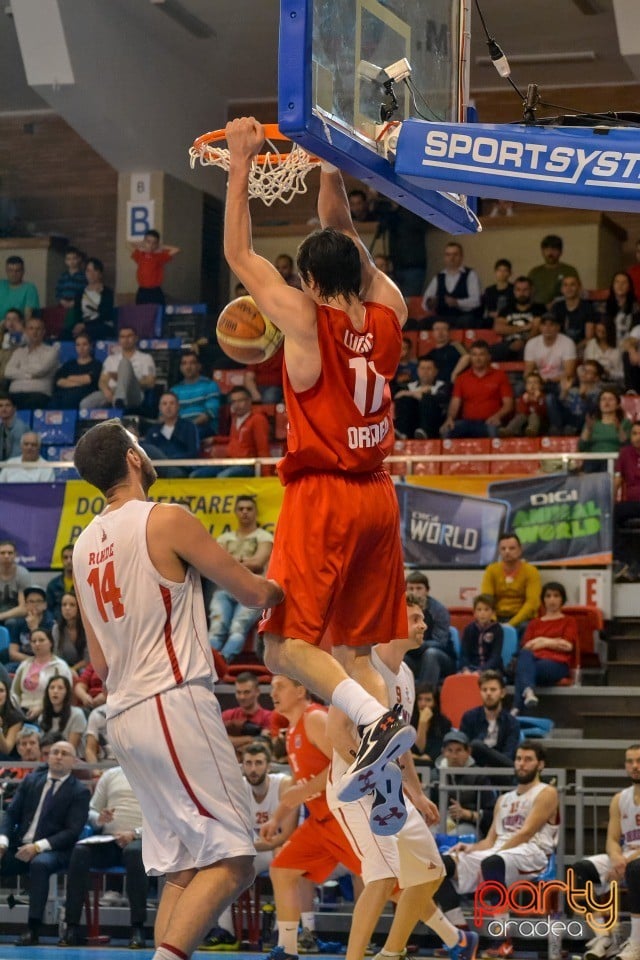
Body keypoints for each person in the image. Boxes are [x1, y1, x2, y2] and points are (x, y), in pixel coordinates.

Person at [218, 116, 415, 808]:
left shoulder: (303, 321)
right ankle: (383, 771)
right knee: (355, 652)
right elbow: (353, 248)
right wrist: (332, 169)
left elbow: (240, 254)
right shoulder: (388, 312)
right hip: (377, 497)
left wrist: (243, 160)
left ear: (305, 280)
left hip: (325, 494)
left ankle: (377, 721)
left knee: (282, 650)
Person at [71, 417, 284, 960]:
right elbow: (255, 592)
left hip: (123, 716)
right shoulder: (166, 519)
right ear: (134, 459)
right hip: (171, 702)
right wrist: (291, 578)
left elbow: (96, 659)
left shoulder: (83, 545)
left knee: (187, 863)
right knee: (237, 855)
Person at [326, 599, 479, 960]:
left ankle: (391, 952)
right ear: (392, 624)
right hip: (355, 790)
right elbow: (337, 733)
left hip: (391, 789)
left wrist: (418, 793)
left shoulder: (408, 676)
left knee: (430, 873)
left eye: (423, 618)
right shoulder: (361, 667)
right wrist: (371, 772)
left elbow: (401, 741)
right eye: (415, 618)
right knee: (381, 876)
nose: (424, 624)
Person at [260, 675, 361, 960]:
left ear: (301, 689)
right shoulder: (292, 731)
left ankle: (455, 937)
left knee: (388, 887)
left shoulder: (315, 718)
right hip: (320, 821)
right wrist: (276, 818)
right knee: (281, 871)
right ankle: (288, 949)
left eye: (279, 686)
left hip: (343, 816)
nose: (273, 692)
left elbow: (344, 765)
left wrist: (304, 789)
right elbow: (299, 780)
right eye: (271, 687)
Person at [434, 742, 559, 958]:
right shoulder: (504, 799)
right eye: (519, 758)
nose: (521, 764)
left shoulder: (546, 792)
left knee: (492, 863)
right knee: (441, 865)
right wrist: (470, 848)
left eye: (528, 759)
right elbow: (491, 840)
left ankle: (503, 940)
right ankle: (460, 936)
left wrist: (491, 854)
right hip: (501, 852)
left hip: (532, 853)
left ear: (541, 765)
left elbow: (526, 833)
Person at [203, 740, 303, 950]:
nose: (253, 769)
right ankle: (226, 931)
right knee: (223, 860)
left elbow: (285, 836)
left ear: (269, 766)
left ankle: (280, 932)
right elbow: (229, 833)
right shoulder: (237, 789)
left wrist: (250, 846)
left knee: (283, 854)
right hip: (251, 851)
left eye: (258, 763)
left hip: (275, 851)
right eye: (248, 763)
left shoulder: (283, 785)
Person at [0, 739, 90, 945]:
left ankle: (33, 929)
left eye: (64, 753)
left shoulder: (79, 791)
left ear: (74, 761)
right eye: (55, 752)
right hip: (20, 845)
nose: (58, 756)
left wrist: (38, 847)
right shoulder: (32, 780)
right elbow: (10, 814)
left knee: (40, 864)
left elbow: (72, 832)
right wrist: (3, 842)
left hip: (57, 850)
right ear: (47, 757)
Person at [60, 764, 148, 949]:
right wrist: (99, 817)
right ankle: (72, 926)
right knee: (80, 851)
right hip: (109, 838)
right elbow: (91, 809)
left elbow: (164, 817)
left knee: (134, 852)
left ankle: (137, 928)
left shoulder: (157, 775)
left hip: (141, 840)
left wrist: (135, 833)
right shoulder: (111, 775)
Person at [572, 744, 640, 960]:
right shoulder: (620, 799)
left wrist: (626, 862)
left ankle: (637, 943)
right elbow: (612, 839)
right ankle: (604, 936)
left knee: (636, 869)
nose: (635, 766)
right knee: (580, 869)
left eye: (639, 761)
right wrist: (617, 858)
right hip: (627, 857)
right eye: (630, 761)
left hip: (635, 861)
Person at [208, 495, 274, 661]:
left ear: (255, 512)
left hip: (252, 590)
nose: (245, 512)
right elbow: (216, 565)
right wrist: (245, 562)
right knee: (217, 628)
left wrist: (229, 561)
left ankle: (220, 664)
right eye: (241, 509)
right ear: (236, 512)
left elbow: (258, 564)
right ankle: (208, 664)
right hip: (225, 589)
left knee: (238, 627)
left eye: (249, 509)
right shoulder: (224, 538)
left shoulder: (265, 537)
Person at [512, 581, 577, 713]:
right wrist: (554, 642)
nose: (552, 599)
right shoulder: (534, 623)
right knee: (524, 656)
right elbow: (526, 646)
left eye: (556, 596)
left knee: (522, 670)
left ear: (562, 599)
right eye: (548, 596)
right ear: (543, 600)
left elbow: (567, 646)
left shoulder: (569, 621)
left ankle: (516, 707)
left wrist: (542, 641)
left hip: (556, 664)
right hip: (534, 663)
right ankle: (528, 693)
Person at [191, 385, 270, 478]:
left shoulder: (258, 419)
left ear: (249, 401)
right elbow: (235, 439)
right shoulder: (235, 418)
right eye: (233, 402)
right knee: (196, 475)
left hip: (247, 465)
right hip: (230, 462)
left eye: (240, 401)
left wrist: (266, 476)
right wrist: (215, 439)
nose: (236, 405)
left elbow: (263, 448)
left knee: (223, 477)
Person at [440, 340, 513, 439]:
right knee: (446, 430)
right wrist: (450, 418)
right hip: (467, 422)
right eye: (474, 355)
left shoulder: (500, 376)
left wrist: (497, 416)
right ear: (470, 357)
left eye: (481, 354)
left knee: (494, 430)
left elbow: (508, 405)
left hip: (489, 422)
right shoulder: (462, 378)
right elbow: (455, 403)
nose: (477, 358)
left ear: (488, 357)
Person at [433, 730, 496, 838]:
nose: (454, 756)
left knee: (452, 838)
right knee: (426, 837)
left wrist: (467, 814)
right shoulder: (434, 776)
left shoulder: (480, 776)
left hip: (470, 826)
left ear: (468, 752)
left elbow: (491, 814)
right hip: (439, 823)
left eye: (459, 750)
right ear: (443, 752)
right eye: (449, 750)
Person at [80, 325, 156, 411]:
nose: (126, 339)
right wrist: (106, 391)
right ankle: (117, 401)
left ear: (136, 338)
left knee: (124, 363)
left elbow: (151, 382)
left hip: (134, 392)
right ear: (119, 340)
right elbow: (102, 381)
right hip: (112, 391)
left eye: (129, 336)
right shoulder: (111, 359)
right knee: (85, 404)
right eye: (122, 337)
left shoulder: (146, 358)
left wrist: (127, 379)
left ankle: (120, 400)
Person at [523, 314, 578, 432]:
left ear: (558, 327)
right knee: (519, 389)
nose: (547, 328)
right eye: (544, 325)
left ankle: (556, 427)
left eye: (551, 325)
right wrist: (533, 383)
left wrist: (548, 380)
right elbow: (528, 371)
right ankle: (524, 423)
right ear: (540, 327)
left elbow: (569, 373)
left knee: (551, 397)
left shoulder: (567, 343)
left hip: (558, 381)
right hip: (539, 381)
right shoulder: (532, 343)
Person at [480, 531, 541, 633]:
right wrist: (494, 622)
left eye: (512, 548)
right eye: (503, 549)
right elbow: (486, 600)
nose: (507, 551)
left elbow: (532, 603)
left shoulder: (531, 571)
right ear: (499, 551)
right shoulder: (491, 570)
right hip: (496, 617)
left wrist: (511, 624)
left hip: (522, 619)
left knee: (526, 627)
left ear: (520, 550)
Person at [403, 572, 455, 686]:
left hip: (441, 657)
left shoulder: (439, 610)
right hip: (412, 656)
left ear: (427, 590)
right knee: (400, 656)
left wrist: (416, 645)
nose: (414, 592)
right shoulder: (402, 609)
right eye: (410, 588)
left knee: (431, 654)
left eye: (419, 588)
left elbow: (440, 643)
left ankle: (425, 698)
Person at [460, 671, 521, 768]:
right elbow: (464, 752)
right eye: (484, 690)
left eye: (493, 690)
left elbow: (508, 756)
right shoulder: (469, 717)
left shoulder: (512, 723)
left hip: (501, 772)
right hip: (474, 771)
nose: (488, 693)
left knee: (477, 745)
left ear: (502, 693)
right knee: (476, 745)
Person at [10, 627, 72, 720]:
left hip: (48, 711)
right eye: (33, 641)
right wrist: (16, 709)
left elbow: (65, 694)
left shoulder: (60, 666)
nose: (37, 644)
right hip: (21, 710)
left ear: (51, 643)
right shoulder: (25, 664)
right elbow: (14, 692)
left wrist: (42, 707)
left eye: (41, 640)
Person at [4, 316, 59, 409]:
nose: (34, 332)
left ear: (43, 332)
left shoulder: (51, 351)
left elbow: (40, 371)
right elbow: (7, 372)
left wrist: (19, 370)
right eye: (31, 328)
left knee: (30, 404)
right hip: (14, 394)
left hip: (38, 394)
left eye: (38, 329)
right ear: (26, 331)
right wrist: (29, 375)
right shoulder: (18, 351)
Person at [422, 242, 482, 327]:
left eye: (455, 255)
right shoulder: (439, 277)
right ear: (444, 257)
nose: (451, 258)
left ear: (461, 257)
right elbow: (425, 301)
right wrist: (430, 303)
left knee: (466, 321)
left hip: (463, 316)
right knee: (424, 323)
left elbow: (476, 301)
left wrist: (457, 302)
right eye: (448, 255)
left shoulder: (470, 275)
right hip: (443, 317)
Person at [141, 390, 200, 478]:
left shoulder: (189, 427)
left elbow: (193, 453)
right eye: (164, 404)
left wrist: (169, 459)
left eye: (172, 403)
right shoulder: (153, 431)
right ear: (160, 407)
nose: (168, 407)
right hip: (157, 471)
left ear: (178, 406)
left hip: (180, 469)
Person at [392, 356, 449, 440]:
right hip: (413, 422)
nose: (425, 372)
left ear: (436, 371)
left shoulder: (443, 386)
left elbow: (441, 399)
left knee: (428, 399)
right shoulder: (410, 385)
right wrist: (418, 392)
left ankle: (424, 431)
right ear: (417, 371)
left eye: (429, 368)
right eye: (422, 368)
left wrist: (416, 394)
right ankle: (403, 432)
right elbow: (398, 396)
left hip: (434, 424)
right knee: (405, 400)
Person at [490, 276, 545, 362]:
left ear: (531, 290)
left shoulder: (540, 309)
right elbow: (498, 328)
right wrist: (524, 327)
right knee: (485, 352)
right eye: (518, 290)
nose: (521, 293)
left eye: (525, 290)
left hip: (532, 345)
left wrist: (524, 342)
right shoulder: (506, 309)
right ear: (514, 291)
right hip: (508, 345)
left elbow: (538, 328)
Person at [579, 388, 631, 473]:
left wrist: (619, 429)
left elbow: (628, 446)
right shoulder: (592, 422)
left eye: (610, 399)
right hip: (593, 461)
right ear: (599, 404)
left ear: (618, 405)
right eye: (603, 399)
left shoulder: (625, 423)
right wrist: (588, 430)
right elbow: (582, 448)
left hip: (615, 460)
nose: (606, 402)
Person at [221, 672, 274, 755]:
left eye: (246, 692)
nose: (242, 697)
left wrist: (233, 741)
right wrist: (251, 739)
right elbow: (218, 740)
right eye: (239, 692)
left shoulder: (270, 717)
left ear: (257, 692)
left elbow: (268, 745)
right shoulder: (226, 716)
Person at [172, 350, 221, 437]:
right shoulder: (175, 390)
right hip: (179, 428)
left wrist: (188, 427)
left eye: (192, 363)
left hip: (204, 428)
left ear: (199, 366)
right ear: (180, 368)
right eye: (184, 363)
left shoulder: (210, 385)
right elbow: (165, 415)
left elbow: (211, 412)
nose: (188, 367)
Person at [614, 421, 640, 582]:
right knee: (612, 513)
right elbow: (617, 480)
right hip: (632, 503)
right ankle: (623, 560)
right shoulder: (625, 453)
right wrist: (608, 501)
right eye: (635, 433)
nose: (638, 437)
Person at [51, 331, 102, 408]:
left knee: (70, 398)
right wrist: (78, 384)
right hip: (65, 393)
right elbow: (59, 381)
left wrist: (69, 378)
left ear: (91, 346)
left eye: (84, 344)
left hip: (84, 395)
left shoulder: (96, 364)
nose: (81, 348)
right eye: (78, 345)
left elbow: (89, 380)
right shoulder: (69, 364)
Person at [527, 234, 580, 308]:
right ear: (542, 251)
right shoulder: (534, 272)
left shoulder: (569, 271)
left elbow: (577, 292)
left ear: (561, 252)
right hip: (538, 309)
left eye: (554, 250)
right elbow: (528, 294)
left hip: (563, 308)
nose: (550, 253)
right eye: (547, 249)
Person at [69, 257, 115, 341]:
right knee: (66, 333)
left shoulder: (107, 292)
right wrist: (78, 325)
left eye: (95, 270)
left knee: (90, 331)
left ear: (100, 273)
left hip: (102, 325)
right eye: (88, 270)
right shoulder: (80, 293)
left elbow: (105, 315)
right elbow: (77, 314)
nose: (91, 274)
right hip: (83, 325)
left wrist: (85, 325)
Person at [8, 584, 56, 665]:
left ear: (45, 605)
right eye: (31, 601)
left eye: (38, 601)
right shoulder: (18, 623)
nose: (35, 604)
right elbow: (13, 653)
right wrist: (33, 661)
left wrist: (34, 628)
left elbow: (50, 652)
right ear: (26, 605)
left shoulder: (51, 624)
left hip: (46, 663)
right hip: (23, 662)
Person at [130, 229, 180, 306]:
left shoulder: (159, 257)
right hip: (142, 291)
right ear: (144, 242)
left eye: (154, 243)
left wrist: (160, 246)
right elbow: (128, 244)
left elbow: (176, 250)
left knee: (158, 314)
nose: (150, 245)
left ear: (156, 244)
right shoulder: (140, 255)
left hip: (155, 291)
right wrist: (142, 245)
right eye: (148, 242)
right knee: (141, 314)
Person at [37, 675, 86, 750]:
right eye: (52, 687)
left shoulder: (77, 714)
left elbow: (70, 748)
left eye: (60, 688)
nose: (55, 691)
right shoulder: (42, 716)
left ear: (67, 692)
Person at [459, 595, 504, 674]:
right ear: (474, 613)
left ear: (493, 612)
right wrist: (465, 669)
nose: (482, 613)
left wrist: (481, 671)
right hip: (472, 667)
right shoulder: (469, 629)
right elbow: (464, 654)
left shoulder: (497, 629)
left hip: (491, 668)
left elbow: (495, 656)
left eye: (486, 610)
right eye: (479, 610)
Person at [410, 684, 452, 767]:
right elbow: (418, 749)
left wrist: (423, 722)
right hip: (411, 765)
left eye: (428, 700)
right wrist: (422, 723)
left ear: (435, 703)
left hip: (434, 765)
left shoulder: (443, 723)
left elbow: (433, 754)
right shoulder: (409, 721)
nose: (423, 704)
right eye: (420, 699)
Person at [559, 358, 604, 435]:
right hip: (570, 422)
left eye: (589, 372)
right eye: (584, 370)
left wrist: (583, 396)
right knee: (550, 398)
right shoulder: (572, 390)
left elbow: (595, 411)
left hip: (586, 423)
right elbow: (562, 410)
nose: (584, 373)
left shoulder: (599, 393)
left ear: (596, 378)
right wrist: (564, 392)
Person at [551, 274, 595, 349]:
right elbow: (551, 332)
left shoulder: (588, 307)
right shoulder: (557, 307)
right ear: (562, 289)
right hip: (559, 348)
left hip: (581, 348)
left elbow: (589, 338)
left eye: (572, 285)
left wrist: (572, 350)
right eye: (565, 285)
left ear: (579, 287)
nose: (569, 288)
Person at [498, 371, 547, 438]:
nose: (532, 385)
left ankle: (532, 431)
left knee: (534, 415)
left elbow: (542, 412)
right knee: (521, 416)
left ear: (541, 386)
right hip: (524, 423)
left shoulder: (542, 397)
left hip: (540, 423)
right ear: (526, 386)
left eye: (535, 383)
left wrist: (536, 400)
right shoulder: (523, 397)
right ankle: (508, 430)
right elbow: (521, 411)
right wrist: (526, 402)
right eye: (529, 383)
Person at [584, 318, 624, 385]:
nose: (600, 334)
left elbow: (623, 374)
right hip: (593, 382)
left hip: (613, 383)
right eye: (598, 331)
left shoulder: (619, 347)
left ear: (610, 331)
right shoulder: (591, 344)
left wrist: (609, 373)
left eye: (603, 332)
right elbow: (586, 365)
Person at [604, 271, 640, 344]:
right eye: (617, 282)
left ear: (629, 287)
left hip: (629, 345)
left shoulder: (635, 307)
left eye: (624, 282)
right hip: (609, 345)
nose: (620, 285)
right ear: (613, 285)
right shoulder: (604, 306)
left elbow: (636, 331)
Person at [0, 539, 29, 630]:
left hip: (16, 617)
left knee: (11, 622)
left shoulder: (22, 574)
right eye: (2, 553)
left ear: (15, 555)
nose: (6, 556)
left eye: (10, 553)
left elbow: (24, 608)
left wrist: (1, 616)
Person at [0, 256, 39, 321]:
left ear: (23, 271)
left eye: (17, 271)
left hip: (17, 327)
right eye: (10, 270)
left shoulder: (29, 288)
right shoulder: (1, 284)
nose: (13, 274)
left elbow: (27, 319)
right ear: (6, 271)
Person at [45, 543, 74, 620]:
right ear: (62, 560)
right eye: (65, 557)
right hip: (58, 623)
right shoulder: (53, 585)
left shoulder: (84, 583)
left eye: (72, 557)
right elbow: (49, 610)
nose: (69, 561)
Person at [0, 677, 26, 760]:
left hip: (6, 759)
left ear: (7, 693)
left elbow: (6, 749)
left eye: (1, 691)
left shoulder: (15, 717)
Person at [482, 258, 515, 323]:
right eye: (499, 270)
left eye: (505, 271)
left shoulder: (514, 289)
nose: (502, 273)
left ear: (510, 273)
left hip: (509, 319)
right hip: (491, 320)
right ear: (495, 272)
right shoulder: (489, 290)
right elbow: (486, 308)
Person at [55, 246, 86, 311]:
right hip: (63, 305)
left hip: (77, 306)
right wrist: (62, 301)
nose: (71, 261)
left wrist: (75, 302)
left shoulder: (83, 276)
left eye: (74, 258)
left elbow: (85, 292)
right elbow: (58, 291)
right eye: (68, 259)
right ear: (66, 261)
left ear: (79, 259)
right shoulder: (63, 276)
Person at [0, 393, 28, 461]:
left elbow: (16, 456)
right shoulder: (1, 427)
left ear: (14, 409)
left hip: (15, 467)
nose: (4, 409)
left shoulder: (20, 427)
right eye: (0, 406)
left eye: (7, 405)